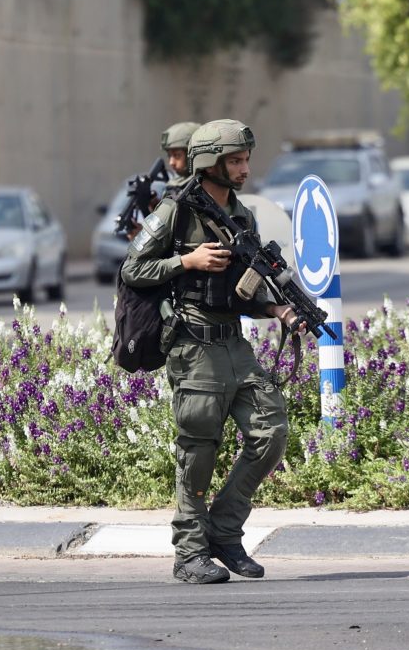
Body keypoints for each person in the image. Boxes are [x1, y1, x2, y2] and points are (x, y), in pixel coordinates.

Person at [121, 119, 294, 585]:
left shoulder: (242, 215)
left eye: (245, 160)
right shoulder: (174, 211)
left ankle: (224, 530)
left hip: (233, 341)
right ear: (209, 163)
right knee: (197, 449)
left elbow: (243, 289)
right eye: (234, 161)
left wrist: (278, 308)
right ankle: (189, 553)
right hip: (192, 345)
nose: (243, 169)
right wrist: (187, 261)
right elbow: (133, 267)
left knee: (271, 431)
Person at [161, 121, 199, 188]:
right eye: (169, 156)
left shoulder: (206, 185)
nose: (171, 162)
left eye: (177, 155)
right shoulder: (175, 184)